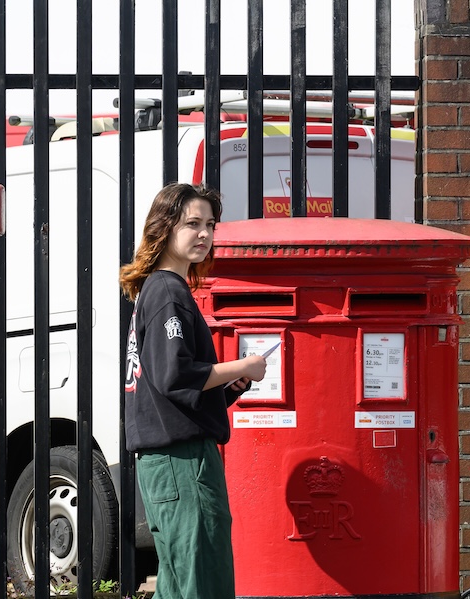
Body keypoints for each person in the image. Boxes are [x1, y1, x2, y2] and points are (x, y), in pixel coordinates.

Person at [119, 182, 267, 599]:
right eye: (192, 224)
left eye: (210, 225)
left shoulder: (156, 290)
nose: (204, 234)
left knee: (178, 582)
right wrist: (245, 365)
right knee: (203, 579)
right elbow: (175, 376)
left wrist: (228, 387)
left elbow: (169, 388)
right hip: (183, 463)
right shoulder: (168, 291)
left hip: (164, 462)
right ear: (164, 229)